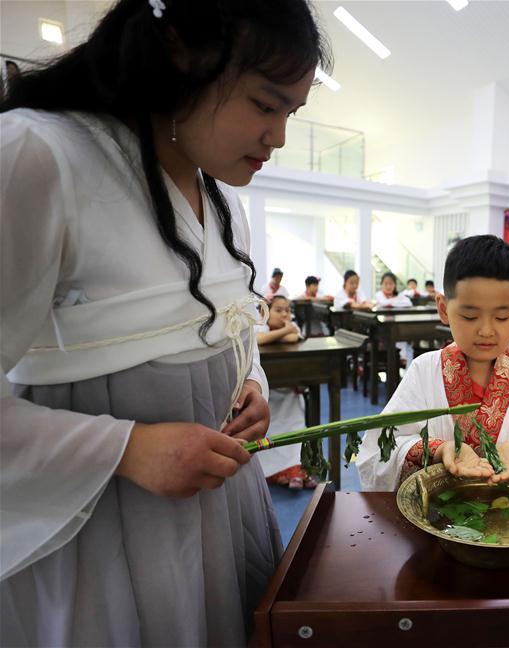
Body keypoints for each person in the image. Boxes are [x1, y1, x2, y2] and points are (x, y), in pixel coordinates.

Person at [0, 0, 329, 644]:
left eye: (292, 113)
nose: (279, 137)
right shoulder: (37, 156)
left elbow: (227, 324)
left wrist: (252, 383)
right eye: (265, 105)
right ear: (181, 52)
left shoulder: (223, 200)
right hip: (103, 526)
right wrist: (127, 448)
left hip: (223, 506)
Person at [357, 235, 509, 491]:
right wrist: (439, 450)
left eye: (502, 316)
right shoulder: (424, 372)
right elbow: (379, 449)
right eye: (470, 316)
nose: (486, 330)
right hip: (436, 515)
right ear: (444, 308)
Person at [254, 296, 316, 489]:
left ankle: (296, 470)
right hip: (267, 394)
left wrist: (286, 330)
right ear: (265, 312)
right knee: (271, 428)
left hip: (289, 390)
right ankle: (276, 472)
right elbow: (259, 339)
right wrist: (286, 329)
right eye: (278, 310)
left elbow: (292, 337)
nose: (284, 314)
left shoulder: (290, 327)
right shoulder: (258, 326)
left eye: (287, 310)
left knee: (295, 425)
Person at [374, 272, 414, 365]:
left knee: (401, 331)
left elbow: (408, 303)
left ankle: (402, 358)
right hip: (381, 327)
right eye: (386, 284)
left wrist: (391, 302)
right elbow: (384, 303)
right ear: (381, 285)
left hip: (396, 325)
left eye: (391, 284)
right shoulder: (378, 295)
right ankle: (396, 358)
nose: (388, 286)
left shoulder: (399, 295)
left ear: (395, 285)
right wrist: (395, 302)